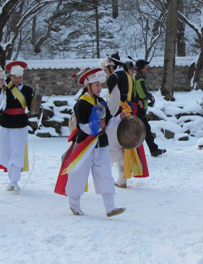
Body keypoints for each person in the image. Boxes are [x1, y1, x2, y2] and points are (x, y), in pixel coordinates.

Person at [54, 67, 126, 217]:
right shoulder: (82, 103)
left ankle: (110, 207)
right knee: (79, 174)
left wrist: (118, 118)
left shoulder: (100, 101)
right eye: (97, 85)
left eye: (101, 85)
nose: (100, 88)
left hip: (102, 143)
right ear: (88, 86)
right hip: (85, 144)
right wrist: (96, 126)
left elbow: (108, 122)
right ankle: (74, 205)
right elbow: (82, 127)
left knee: (105, 174)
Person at [101, 53, 149, 188]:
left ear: (111, 65)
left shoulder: (114, 77)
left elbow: (115, 98)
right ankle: (122, 180)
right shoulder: (128, 76)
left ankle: (105, 177)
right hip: (126, 113)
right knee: (122, 149)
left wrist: (107, 116)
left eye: (106, 68)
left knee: (112, 148)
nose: (105, 71)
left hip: (116, 115)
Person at [0, 61, 34, 192]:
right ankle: (10, 178)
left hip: (20, 123)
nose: (17, 80)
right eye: (14, 77)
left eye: (20, 77)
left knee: (18, 151)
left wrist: (37, 100)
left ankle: (14, 180)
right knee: (6, 150)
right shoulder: (5, 87)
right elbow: (2, 106)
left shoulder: (28, 90)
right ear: (10, 76)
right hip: (6, 122)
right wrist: (2, 90)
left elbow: (31, 107)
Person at [132, 59, 166, 157]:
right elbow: (142, 94)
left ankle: (152, 149)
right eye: (146, 66)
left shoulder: (137, 75)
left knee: (144, 129)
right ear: (142, 67)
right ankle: (151, 150)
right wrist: (150, 97)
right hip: (139, 107)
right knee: (144, 129)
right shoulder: (139, 78)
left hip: (139, 107)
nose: (147, 67)